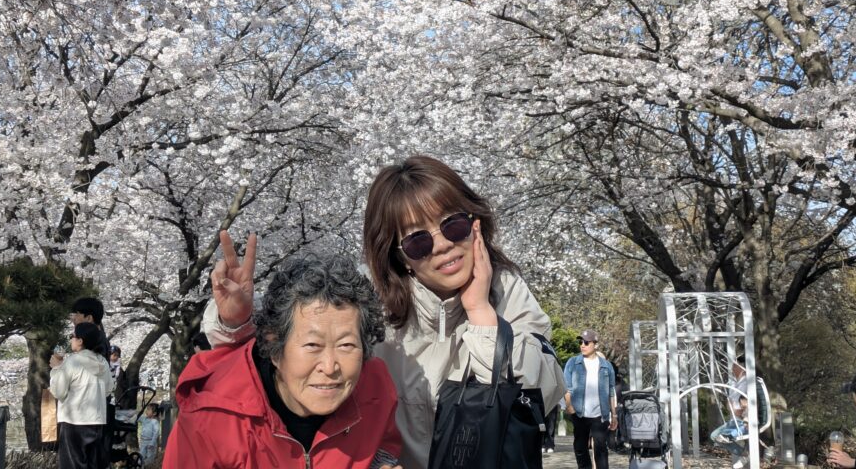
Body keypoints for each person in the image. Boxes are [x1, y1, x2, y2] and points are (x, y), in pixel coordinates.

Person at [202, 155, 564, 469]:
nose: (442, 246)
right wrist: (235, 323)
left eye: (453, 225)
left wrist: (481, 314)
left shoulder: (507, 291)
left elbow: (540, 391)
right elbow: (293, 354)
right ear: (398, 255)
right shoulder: (369, 304)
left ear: (475, 223)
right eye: (418, 241)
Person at [166, 247, 403, 468]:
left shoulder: (376, 390)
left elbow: (383, 448)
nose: (330, 367)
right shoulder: (209, 422)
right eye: (312, 345)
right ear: (275, 347)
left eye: (346, 345)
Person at [49, 322, 114, 469]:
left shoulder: (73, 361)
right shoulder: (102, 361)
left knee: (73, 464)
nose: (71, 339)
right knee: (93, 464)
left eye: (73, 336)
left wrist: (57, 368)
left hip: (74, 421)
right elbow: (108, 389)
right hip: (97, 421)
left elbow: (58, 391)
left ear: (80, 341)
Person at [564, 329, 618, 469]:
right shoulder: (572, 363)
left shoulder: (606, 366)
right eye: (581, 342)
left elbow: (611, 391)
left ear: (595, 345)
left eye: (586, 342)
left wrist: (614, 414)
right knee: (580, 448)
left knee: (600, 448)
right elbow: (566, 387)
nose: (582, 345)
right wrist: (569, 407)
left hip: (600, 414)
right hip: (579, 413)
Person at [708, 361, 750, 467]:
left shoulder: (748, 383)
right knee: (714, 436)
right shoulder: (734, 384)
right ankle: (744, 454)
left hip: (743, 421)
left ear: (741, 368)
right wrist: (730, 407)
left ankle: (745, 455)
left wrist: (738, 411)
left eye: (734, 367)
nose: (732, 369)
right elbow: (729, 404)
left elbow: (746, 404)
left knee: (726, 436)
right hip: (733, 420)